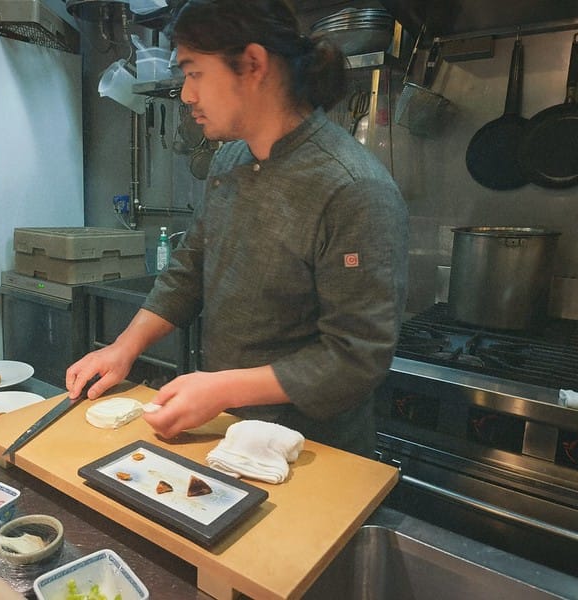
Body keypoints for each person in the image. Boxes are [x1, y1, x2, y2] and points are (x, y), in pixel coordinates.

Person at [66, 0, 409, 458]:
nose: (187, 95)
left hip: (312, 452)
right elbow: (189, 269)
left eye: (195, 72)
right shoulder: (232, 158)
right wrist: (123, 348)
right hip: (228, 435)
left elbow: (354, 360)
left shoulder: (353, 188)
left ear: (252, 65)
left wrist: (222, 389)